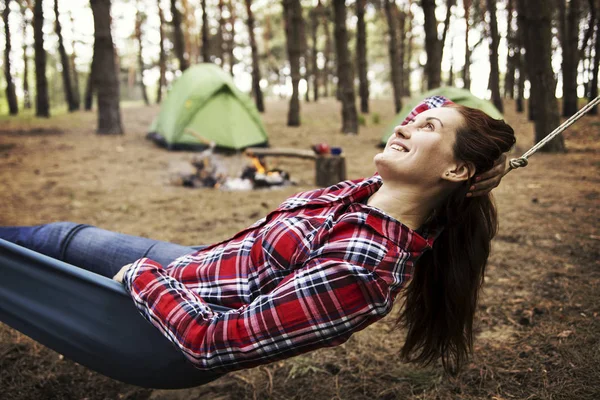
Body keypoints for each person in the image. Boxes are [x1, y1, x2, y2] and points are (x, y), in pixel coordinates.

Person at [0, 96, 515, 375]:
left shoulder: (361, 268)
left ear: (455, 173)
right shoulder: (370, 192)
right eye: (413, 122)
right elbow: (426, 111)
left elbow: (213, 342)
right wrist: (480, 154)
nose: (406, 127)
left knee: (25, 263)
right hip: (200, 268)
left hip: (167, 332)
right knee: (61, 236)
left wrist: (143, 277)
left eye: (428, 129)